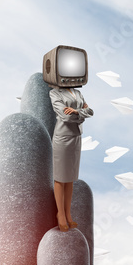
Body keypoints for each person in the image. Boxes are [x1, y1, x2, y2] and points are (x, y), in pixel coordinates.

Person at [50, 86, 93, 231]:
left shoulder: (77, 93)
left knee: (70, 177)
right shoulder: (55, 93)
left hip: (76, 137)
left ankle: (68, 213)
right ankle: (60, 214)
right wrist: (81, 113)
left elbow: (90, 111)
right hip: (63, 137)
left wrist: (76, 111)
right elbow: (65, 116)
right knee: (60, 177)